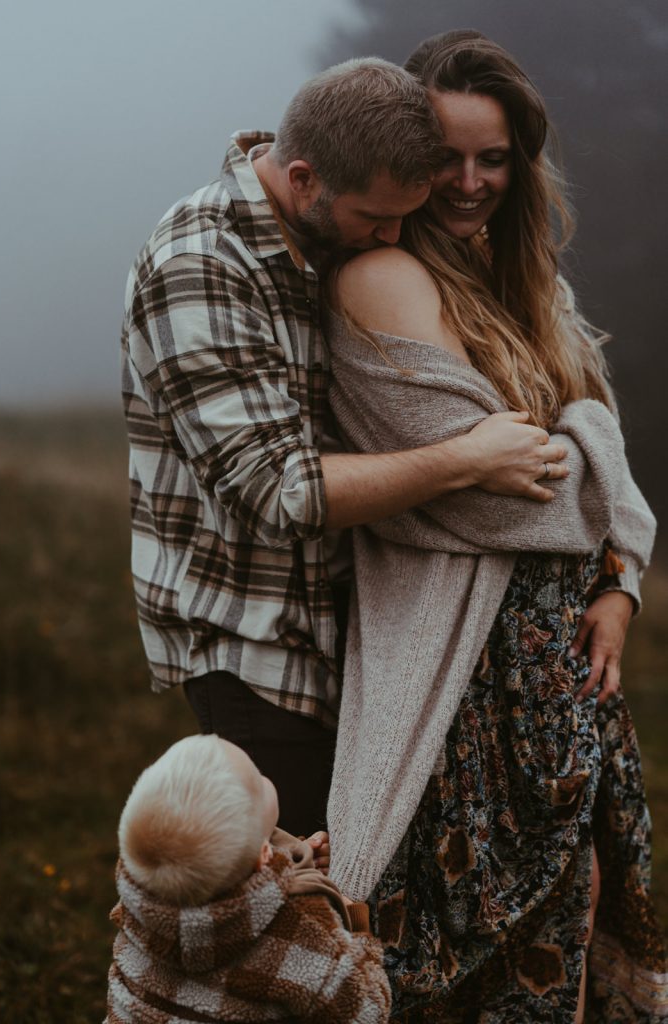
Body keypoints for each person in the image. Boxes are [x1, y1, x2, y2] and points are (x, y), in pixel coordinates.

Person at [121, 57, 570, 843]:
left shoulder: (326, 218)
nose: (393, 237)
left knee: (355, 908)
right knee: (277, 916)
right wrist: (469, 457)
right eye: (377, 219)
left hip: (354, 639)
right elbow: (282, 492)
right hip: (255, 649)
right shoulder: (199, 263)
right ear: (302, 178)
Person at [325, 31, 667, 1023]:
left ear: (520, 163)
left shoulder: (526, 282)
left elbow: (582, 461)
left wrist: (617, 583)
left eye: (492, 157)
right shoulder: (382, 278)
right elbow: (496, 492)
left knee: (576, 903)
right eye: (444, 157)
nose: (466, 182)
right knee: (461, 934)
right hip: (462, 668)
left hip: (558, 656)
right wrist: (579, 444)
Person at [105, 734, 391, 1023]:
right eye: (256, 776)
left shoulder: (137, 905)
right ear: (263, 856)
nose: (263, 776)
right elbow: (367, 1012)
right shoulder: (300, 927)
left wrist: (293, 864)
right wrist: (353, 921)